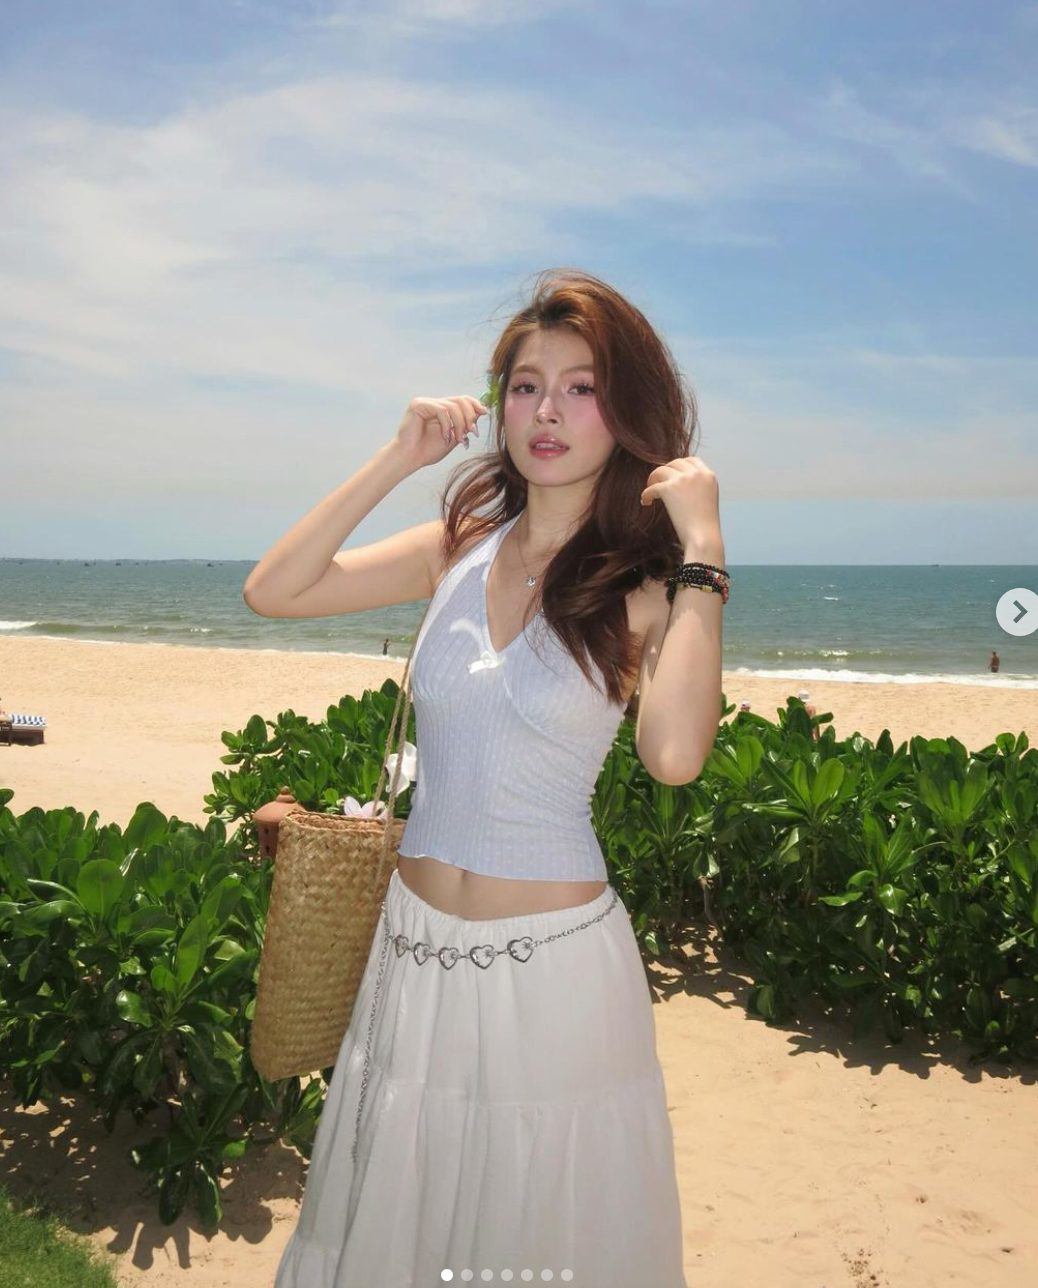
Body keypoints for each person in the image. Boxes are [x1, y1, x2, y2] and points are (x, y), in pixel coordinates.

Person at [245, 269, 727, 1288]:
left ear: (627, 410)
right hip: (411, 955)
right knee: (400, 1222)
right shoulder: (456, 549)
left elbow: (675, 756)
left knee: (528, 1230)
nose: (547, 411)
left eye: (582, 387)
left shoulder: (647, 588)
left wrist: (705, 550)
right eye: (526, 386)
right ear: (499, 405)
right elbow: (274, 590)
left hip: (553, 976)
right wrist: (399, 456)